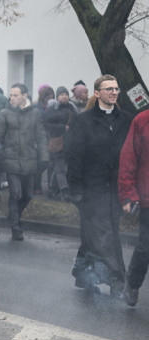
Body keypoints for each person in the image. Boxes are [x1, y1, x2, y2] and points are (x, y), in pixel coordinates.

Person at [66, 75, 132, 296]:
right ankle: (118, 280)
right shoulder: (82, 121)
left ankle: (82, 274)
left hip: (116, 190)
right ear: (97, 93)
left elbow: (131, 156)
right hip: (91, 190)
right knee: (105, 235)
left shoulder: (125, 120)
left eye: (116, 88)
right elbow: (74, 157)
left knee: (97, 234)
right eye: (108, 89)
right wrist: (75, 190)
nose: (114, 92)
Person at [0, 83, 46, 240]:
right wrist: (1, 155)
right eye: (11, 95)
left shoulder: (34, 113)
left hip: (29, 161)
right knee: (15, 193)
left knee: (28, 195)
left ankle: (13, 215)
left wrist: (44, 157)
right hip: (10, 161)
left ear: (24, 96)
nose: (12, 98)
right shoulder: (4, 113)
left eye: (15, 95)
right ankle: (15, 227)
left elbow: (41, 136)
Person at [119, 106, 149, 306]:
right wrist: (129, 194)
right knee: (146, 245)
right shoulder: (142, 121)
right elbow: (128, 159)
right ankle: (132, 284)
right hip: (147, 196)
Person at [44, 86, 76, 200]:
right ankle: (65, 191)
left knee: (59, 168)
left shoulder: (72, 109)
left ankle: (52, 189)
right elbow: (47, 124)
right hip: (57, 142)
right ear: (57, 97)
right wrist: (62, 127)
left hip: (70, 143)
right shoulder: (52, 109)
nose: (64, 96)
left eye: (66, 94)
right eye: (62, 94)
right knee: (61, 168)